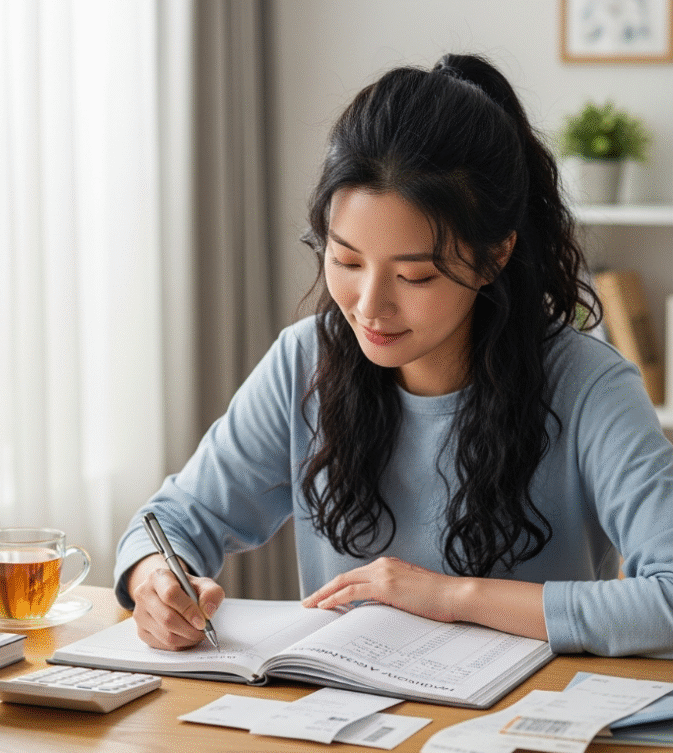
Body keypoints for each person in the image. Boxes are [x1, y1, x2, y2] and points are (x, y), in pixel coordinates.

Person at [114, 52, 673, 657]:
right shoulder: (305, 362)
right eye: (347, 261)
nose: (369, 308)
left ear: (495, 255)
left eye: (415, 276)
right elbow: (171, 522)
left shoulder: (589, 384)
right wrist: (154, 583)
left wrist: (449, 597)